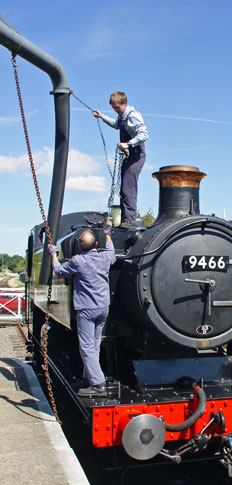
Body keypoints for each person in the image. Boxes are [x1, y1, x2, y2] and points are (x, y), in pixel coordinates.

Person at [48, 223, 116, 397]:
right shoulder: (104, 258)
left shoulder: (78, 261)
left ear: (79, 246)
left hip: (86, 309)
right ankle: (88, 377)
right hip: (103, 308)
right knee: (94, 345)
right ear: (95, 244)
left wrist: (53, 255)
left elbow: (59, 272)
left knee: (86, 347)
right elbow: (111, 253)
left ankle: (98, 384)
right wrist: (107, 235)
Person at [93, 91, 149, 230]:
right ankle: (126, 219)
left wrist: (128, 144)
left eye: (117, 107)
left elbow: (144, 134)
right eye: (113, 108)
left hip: (136, 155)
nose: (115, 110)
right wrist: (102, 116)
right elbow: (116, 124)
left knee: (128, 187)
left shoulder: (133, 116)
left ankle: (130, 221)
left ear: (124, 103)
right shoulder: (122, 116)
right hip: (128, 156)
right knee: (123, 189)